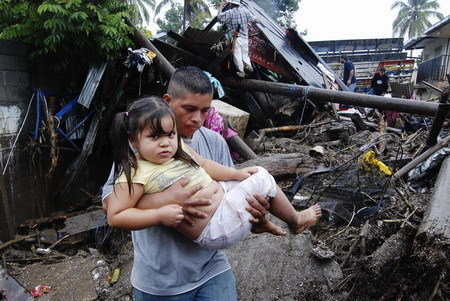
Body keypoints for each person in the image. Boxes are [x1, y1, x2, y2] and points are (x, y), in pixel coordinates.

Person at [101, 66, 291, 300]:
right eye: (190, 109)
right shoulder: (139, 148)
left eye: (205, 111)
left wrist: (257, 213)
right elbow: (111, 205)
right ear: (168, 101)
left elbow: (227, 195)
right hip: (162, 279)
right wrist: (162, 202)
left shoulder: (214, 141)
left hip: (212, 266)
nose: (198, 119)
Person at [107, 97, 322, 251]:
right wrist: (158, 214)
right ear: (133, 139)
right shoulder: (135, 171)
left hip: (223, 203)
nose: (165, 143)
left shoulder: (178, 146)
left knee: (252, 174)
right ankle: (295, 219)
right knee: (263, 176)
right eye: (154, 137)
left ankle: (261, 222)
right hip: (215, 227)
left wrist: (236, 174)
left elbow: (204, 164)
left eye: (170, 134)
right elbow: (115, 215)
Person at [217, 0, 256, 78]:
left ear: (231, 4)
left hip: (236, 38)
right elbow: (254, 19)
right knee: (245, 55)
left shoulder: (230, 13)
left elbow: (219, 18)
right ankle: (249, 66)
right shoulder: (245, 11)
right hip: (245, 38)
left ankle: (241, 72)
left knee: (237, 56)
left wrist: (221, 5)